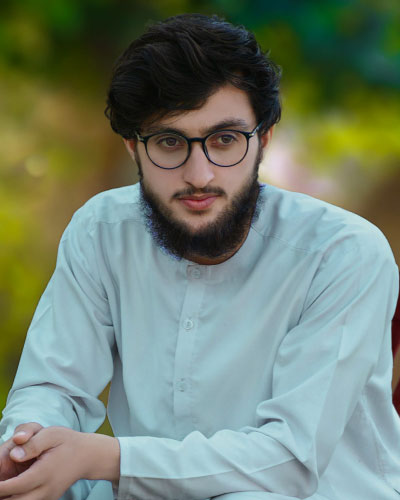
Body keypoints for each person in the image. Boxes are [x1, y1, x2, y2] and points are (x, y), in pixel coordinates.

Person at [0, 13, 399, 500]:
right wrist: (26, 448)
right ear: (133, 148)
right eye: (169, 142)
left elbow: (291, 459)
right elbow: (53, 388)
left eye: (224, 140)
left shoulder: (341, 253)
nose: (199, 175)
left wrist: (108, 457)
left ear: (263, 140)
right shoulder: (102, 231)